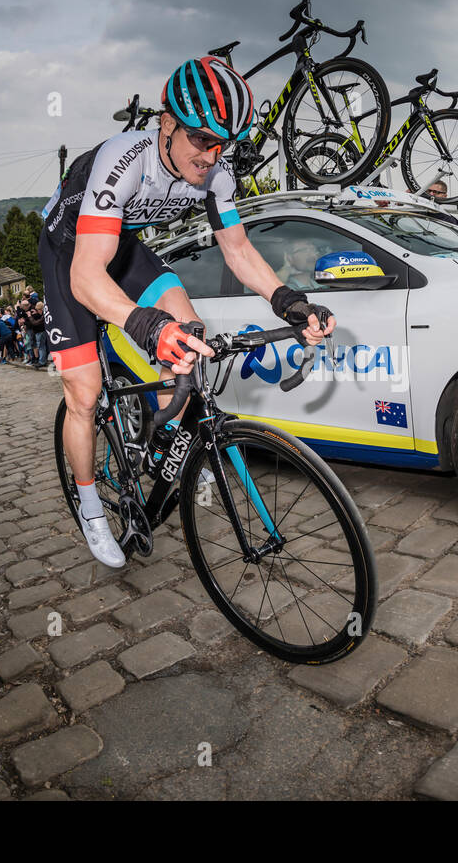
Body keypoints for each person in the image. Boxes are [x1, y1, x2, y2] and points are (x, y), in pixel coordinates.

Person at [38, 57, 334, 568]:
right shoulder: (124, 160)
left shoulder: (216, 173)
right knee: (84, 394)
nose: (213, 154)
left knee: (188, 332)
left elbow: (238, 251)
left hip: (123, 247)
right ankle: (90, 509)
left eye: (224, 142)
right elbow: (86, 277)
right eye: (202, 138)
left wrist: (288, 301)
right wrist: (144, 325)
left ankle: (153, 435)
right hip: (71, 254)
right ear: (167, 123)